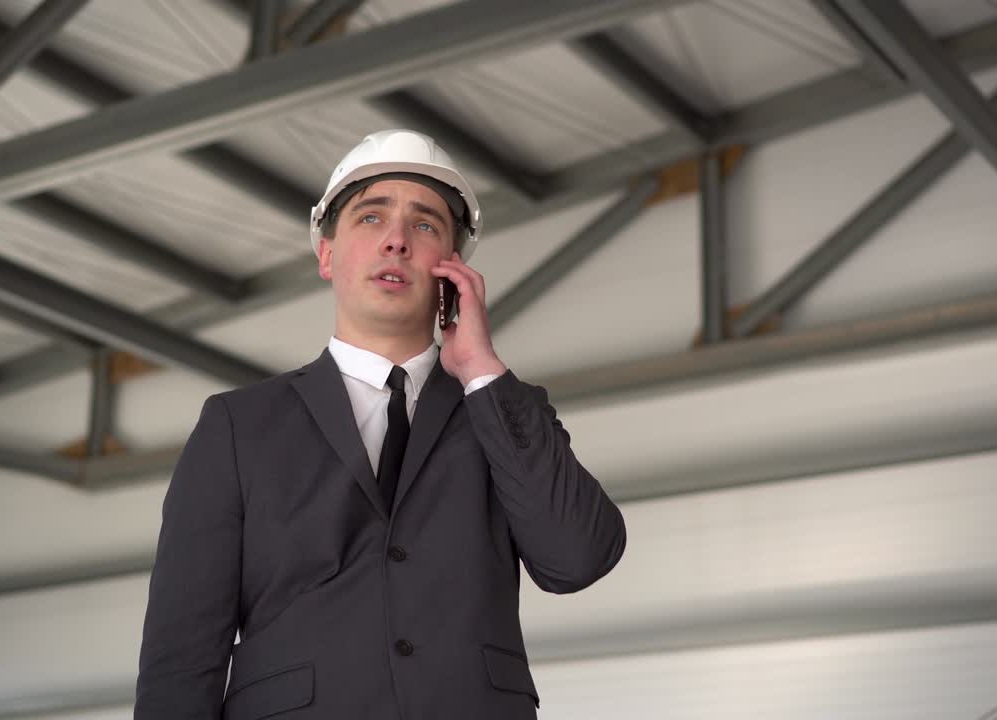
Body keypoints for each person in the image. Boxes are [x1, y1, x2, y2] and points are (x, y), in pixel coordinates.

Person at [134, 129, 627, 720]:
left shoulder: (500, 413)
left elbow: (578, 559)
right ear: (326, 253)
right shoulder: (237, 426)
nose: (396, 240)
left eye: (424, 225)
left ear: (452, 269)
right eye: (371, 218)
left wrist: (481, 370)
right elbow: (181, 655)